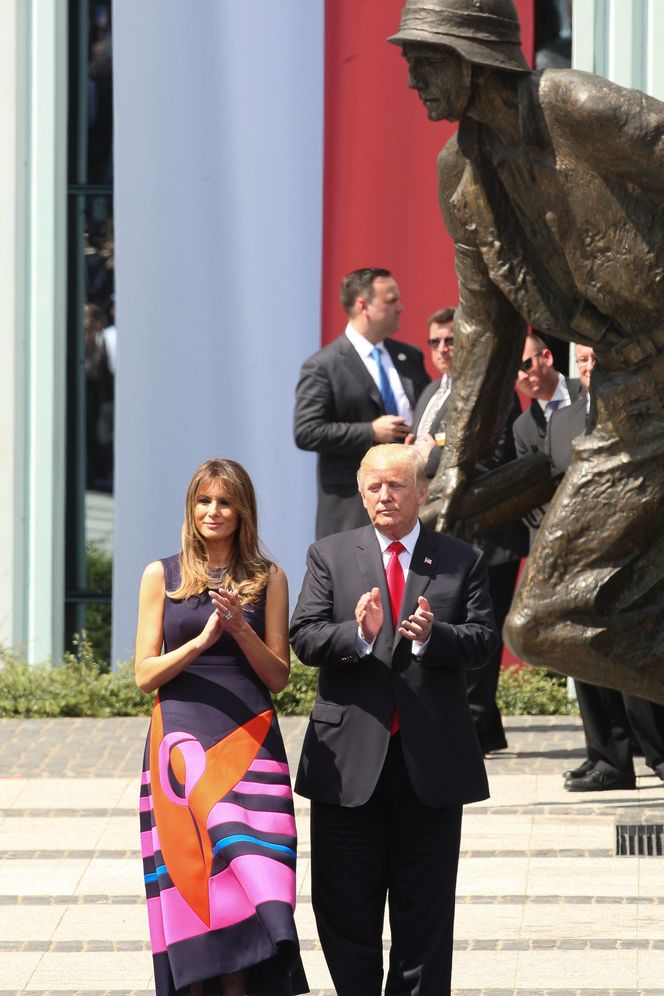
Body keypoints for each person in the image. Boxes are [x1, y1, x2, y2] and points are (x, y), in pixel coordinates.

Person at [389, 0, 664, 703]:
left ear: (470, 56)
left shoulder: (570, 105)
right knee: (543, 623)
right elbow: (485, 324)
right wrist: (456, 469)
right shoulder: (462, 175)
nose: (413, 80)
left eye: (424, 61)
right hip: (632, 403)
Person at [290, 444, 497, 996]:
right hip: (348, 764)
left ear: (422, 493)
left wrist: (435, 637)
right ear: (361, 493)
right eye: (375, 486)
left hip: (427, 766)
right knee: (342, 909)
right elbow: (304, 636)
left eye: (397, 485)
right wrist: (355, 634)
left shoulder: (461, 559)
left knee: (425, 916)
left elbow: (482, 642)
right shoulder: (329, 555)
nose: (385, 495)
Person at [134, 458, 308, 996]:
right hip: (180, 747)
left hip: (251, 737)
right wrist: (201, 641)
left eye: (225, 502)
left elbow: (279, 677)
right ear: (192, 507)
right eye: (204, 501)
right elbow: (144, 675)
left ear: (242, 511)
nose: (213, 511)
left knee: (253, 873)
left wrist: (239, 629)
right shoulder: (162, 575)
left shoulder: (269, 578)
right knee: (193, 877)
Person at [546, 347, 664, 789]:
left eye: (598, 357)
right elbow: (548, 482)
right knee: (582, 655)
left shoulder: (645, 407)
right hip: (578, 560)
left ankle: (657, 751)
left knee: (633, 658)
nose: (591, 366)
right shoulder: (563, 419)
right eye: (584, 360)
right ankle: (608, 758)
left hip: (634, 556)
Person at [411, 308, 527, 754]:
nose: (442, 350)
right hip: (450, 534)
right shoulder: (430, 393)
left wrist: (427, 459)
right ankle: (485, 727)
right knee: (453, 627)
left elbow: (495, 458)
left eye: (450, 341)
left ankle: (475, 727)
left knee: (480, 631)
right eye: (434, 342)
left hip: (488, 535)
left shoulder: (488, 391)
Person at [294, 267, 430, 539]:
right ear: (363, 306)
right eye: (391, 301)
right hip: (353, 510)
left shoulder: (409, 356)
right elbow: (307, 431)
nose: (401, 308)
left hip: (413, 504)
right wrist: (370, 432)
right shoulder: (323, 366)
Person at [513, 332, 580, 460]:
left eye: (526, 365)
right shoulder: (523, 429)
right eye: (514, 373)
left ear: (547, 357)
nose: (522, 377)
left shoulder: (589, 393)